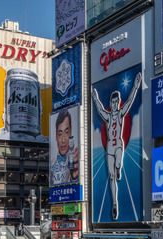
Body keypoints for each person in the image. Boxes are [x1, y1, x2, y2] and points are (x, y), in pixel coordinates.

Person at [91, 72, 142, 220]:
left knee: (118, 164)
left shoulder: (120, 114)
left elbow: (130, 101)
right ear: (111, 103)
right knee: (112, 177)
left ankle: (119, 167)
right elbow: (100, 109)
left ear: (118, 102)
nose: (114, 105)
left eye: (116, 102)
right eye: (112, 103)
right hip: (109, 148)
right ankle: (115, 203)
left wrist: (136, 85)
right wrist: (95, 98)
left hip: (118, 145)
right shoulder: (107, 116)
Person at [50, 109, 79, 185]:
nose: (63, 140)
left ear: (71, 131)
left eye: (66, 132)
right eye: (60, 134)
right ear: (56, 135)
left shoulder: (76, 159)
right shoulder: (51, 163)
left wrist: (74, 178)